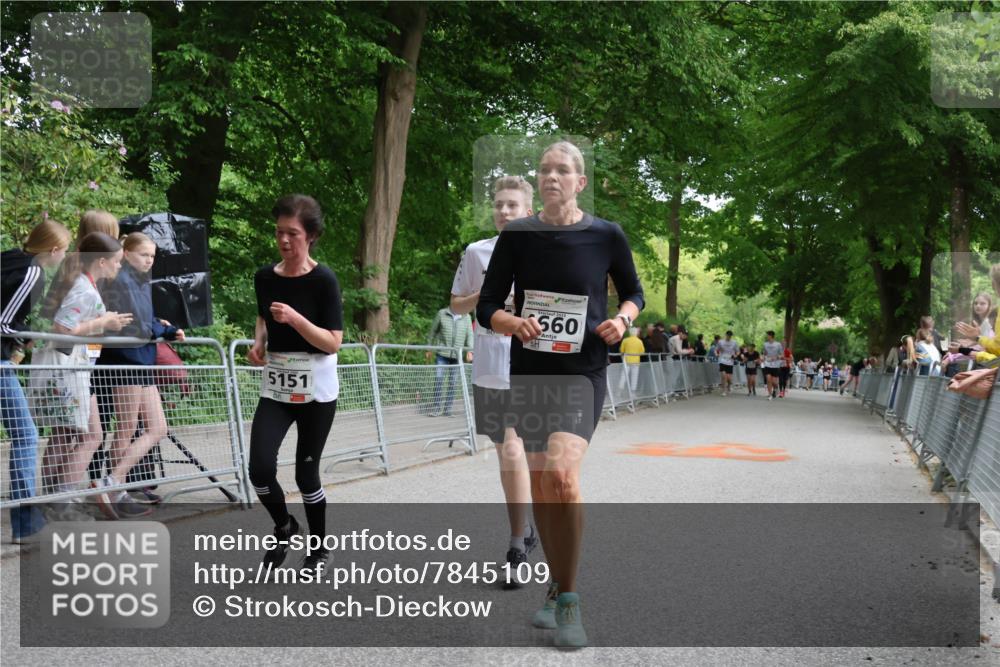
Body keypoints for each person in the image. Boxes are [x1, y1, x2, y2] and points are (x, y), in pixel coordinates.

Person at [477, 140, 644, 649]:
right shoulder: (518, 235)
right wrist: (512, 323)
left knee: (563, 477)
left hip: (581, 372)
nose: (551, 177)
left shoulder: (606, 235)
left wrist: (622, 319)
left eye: (562, 170)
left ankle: (569, 598)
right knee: (542, 486)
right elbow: (487, 305)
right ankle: (554, 584)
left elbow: (634, 293)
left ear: (580, 182)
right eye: (545, 170)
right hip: (530, 373)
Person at [246, 194, 344, 574]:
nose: (284, 241)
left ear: (311, 236)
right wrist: (259, 343)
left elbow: (333, 342)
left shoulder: (324, 280)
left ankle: (319, 551)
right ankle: (284, 526)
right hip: (278, 387)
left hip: (316, 390)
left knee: (306, 476)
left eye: (293, 233)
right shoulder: (264, 277)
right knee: (259, 469)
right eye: (279, 232)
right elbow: (262, 317)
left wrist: (295, 319)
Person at [449, 174, 537, 584]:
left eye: (512, 205)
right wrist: (485, 294)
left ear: (528, 211)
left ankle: (517, 544)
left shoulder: (544, 253)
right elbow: (455, 306)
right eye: (499, 204)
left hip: (529, 363)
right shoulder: (476, 252)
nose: (503, 211)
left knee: (517, 450)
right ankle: (526, 528)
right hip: (488, 363)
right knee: (506, 452)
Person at [30, 233, 133, 516]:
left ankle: (55, 498)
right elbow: (62, 329)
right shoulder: (84, 288)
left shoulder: (83, 284)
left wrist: (104, 321)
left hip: (71, 368)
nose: (119, 266)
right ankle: (62, 497)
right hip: (67, 369)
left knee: (64, 434)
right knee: (90, 434)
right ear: (101, 262)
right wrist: (103, 322)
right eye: (116, 261)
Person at [94, 233, 185, 517]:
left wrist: (163, 327)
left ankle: (113, 481)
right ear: (126, 252)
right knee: (126, 426)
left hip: (141, 358)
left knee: (157, 427)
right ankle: (114, 487)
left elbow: (145, 321)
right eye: (144, 255)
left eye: (152, 256)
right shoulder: (120, 279)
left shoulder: (140, 280)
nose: (149, 260)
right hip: (127, 358)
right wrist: (164, 330)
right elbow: (134, 324)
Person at [1, 219, 72, 541]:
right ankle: (25, 523)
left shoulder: (11, 258)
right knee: (27, 435)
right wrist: (28, 335)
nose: (65, 256)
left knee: (24, 434)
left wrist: (22, 335)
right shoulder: (33, 272)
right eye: (65, 250)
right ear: (54, 250)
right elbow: (3, 323)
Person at [425, 305, 474, 417]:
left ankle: (447, 410)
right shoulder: (442, 313)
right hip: (442, 353)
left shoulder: (467, 317)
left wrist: (470, 351)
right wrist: (428, 348)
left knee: (453, 382)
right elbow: (432, 331)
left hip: (457, 355)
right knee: (439, 380)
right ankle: (437, 408)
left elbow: (470, 335)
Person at [955, 263, 1000, 368]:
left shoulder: (991, 320)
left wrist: (964, 349)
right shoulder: (977, 323)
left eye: (982, 303)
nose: (978, 306)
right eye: (976, 303)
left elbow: (996, 348)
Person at [620, 326, 644, 394]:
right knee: (634, 377)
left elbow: (621, 350)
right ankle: (633, 392)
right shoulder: (639, 341)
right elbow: (642, 352)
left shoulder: (625, 340)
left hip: (626, 360)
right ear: (636, 333)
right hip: (636, 361)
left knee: (623, 376)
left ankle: (620, 391)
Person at [761, 331, 784, 400]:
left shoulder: (778, 344)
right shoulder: (765, 344)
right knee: (768, 379)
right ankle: (770, 394)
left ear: (771, 336)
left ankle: (776, 388)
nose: (767, 337)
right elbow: (764, 353)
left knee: (774, 382)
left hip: (776, 365)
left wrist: (776, 357)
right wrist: (763, 357)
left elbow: (782, 355)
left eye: (767, 335)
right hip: (767, 364)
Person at [716, 330, 738, 396]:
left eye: (730, 336)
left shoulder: (734, 342)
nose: (729, 337)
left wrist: (735, 355)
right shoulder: (720, 342)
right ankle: (724, 391)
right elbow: (716, 350)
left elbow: (738, 351)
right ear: (726, 335)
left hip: (730, 361)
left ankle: (729, 385)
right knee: (723, 376)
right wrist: (716, 354)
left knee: (729, 378)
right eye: (728, 335)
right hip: (722, 360)